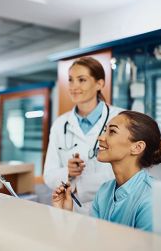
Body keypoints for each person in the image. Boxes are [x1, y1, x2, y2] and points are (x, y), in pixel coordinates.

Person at [52, 111, 161, 231]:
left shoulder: (151, 199)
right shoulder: (105, 191)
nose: (100, 137)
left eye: (112, 131)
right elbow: (94, 241)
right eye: (105, 130)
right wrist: (65, 214)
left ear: (137, 147)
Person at [43, 57, 122, 214]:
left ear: (100, 83)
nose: (74, 86)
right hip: (70, 210)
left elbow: (126, 171)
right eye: (71, 80)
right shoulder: (60, 124)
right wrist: (68, 172)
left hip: (110, 210)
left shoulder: (120, 118)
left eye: (82, 80)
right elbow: (49, 175)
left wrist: (80, 186)